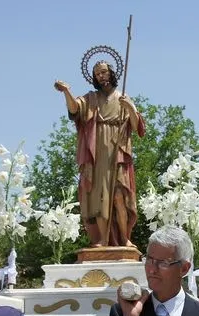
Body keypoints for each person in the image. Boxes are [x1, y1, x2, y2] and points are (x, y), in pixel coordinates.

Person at [54, 61, 145, 248]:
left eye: (104, 72)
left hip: (118, 151)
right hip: (96, 154)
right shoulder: (91, 98)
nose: (101, 76)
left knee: (119, 197)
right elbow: (74, 109)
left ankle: (124, 238)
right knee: (100, 197)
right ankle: (103, 239)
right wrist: (67, 92)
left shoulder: (123, 97)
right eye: (97, 74)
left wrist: (129, 107)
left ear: (111, 73)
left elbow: (137, 127)